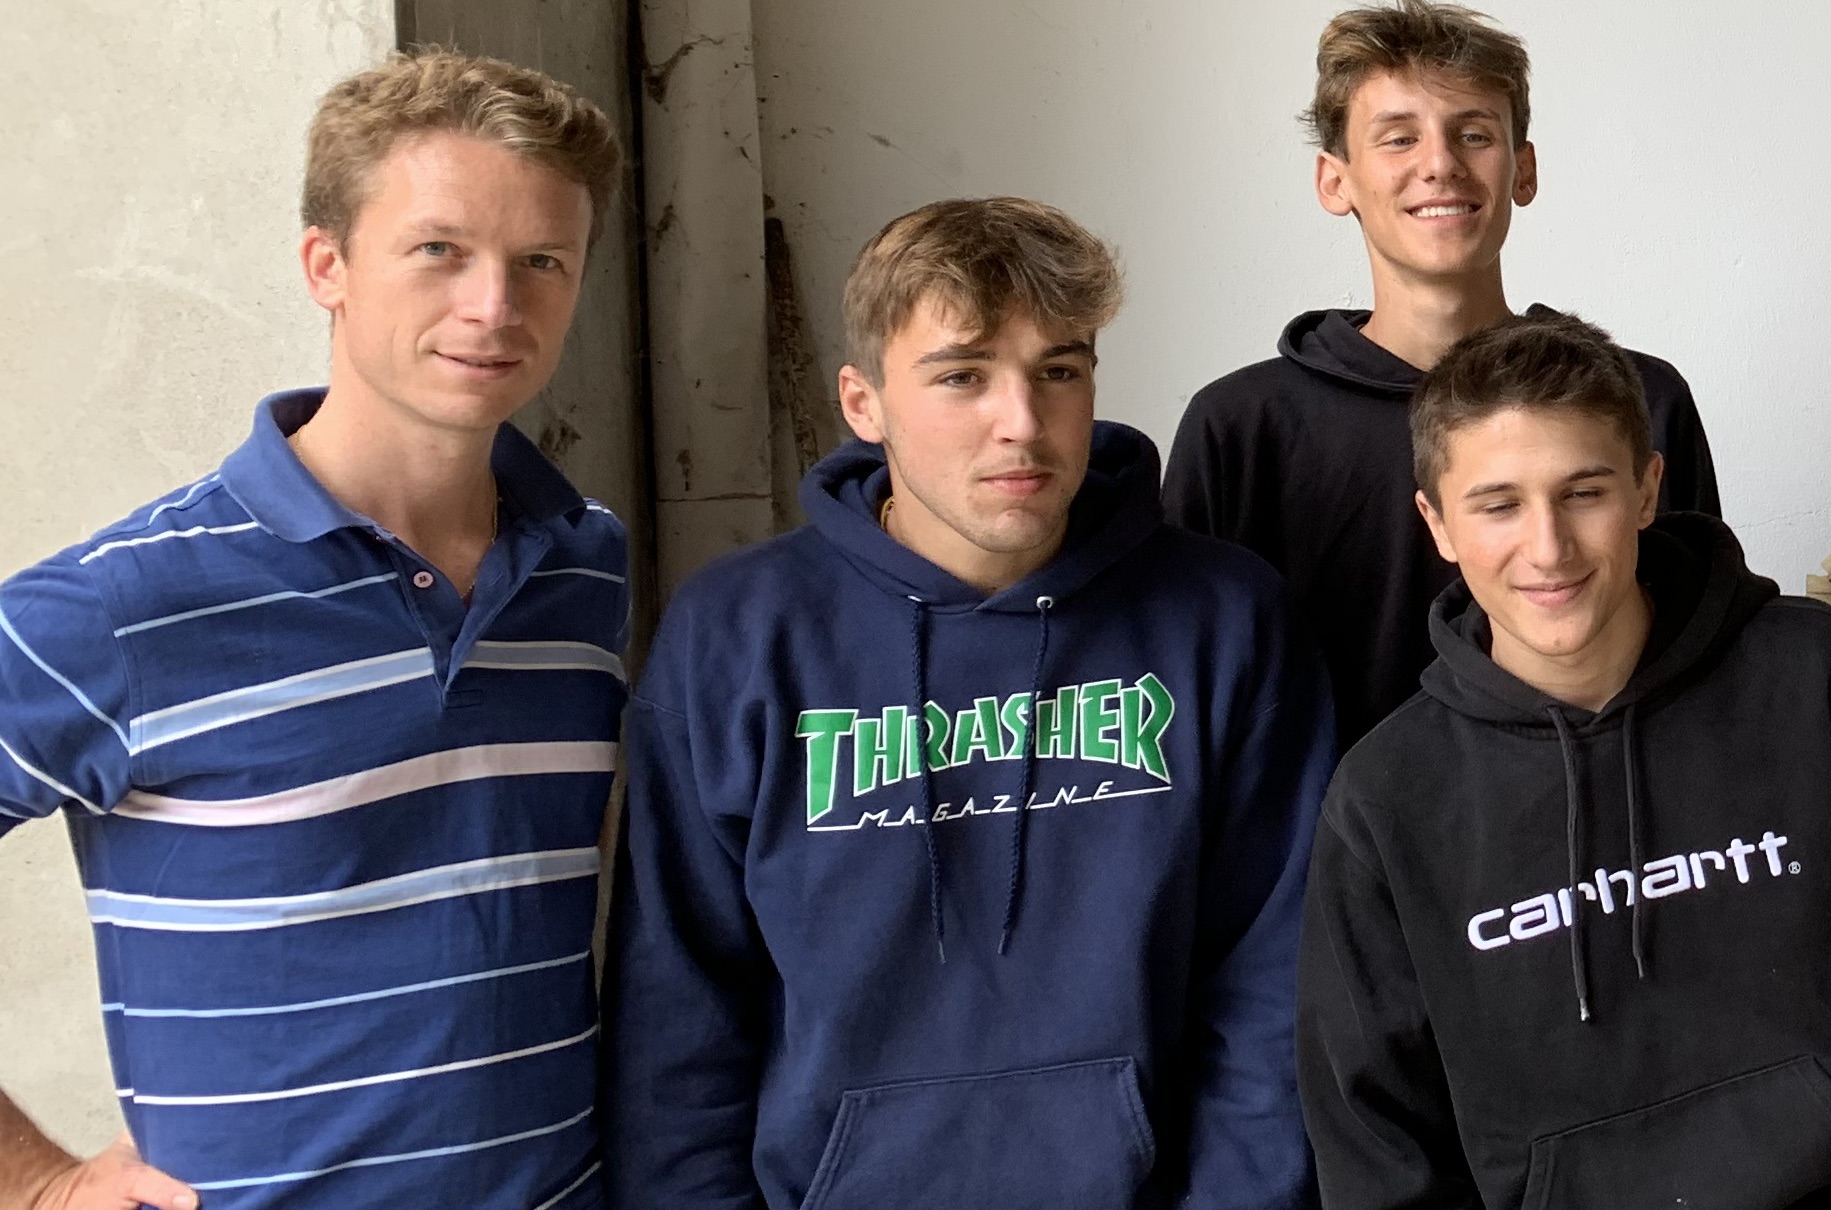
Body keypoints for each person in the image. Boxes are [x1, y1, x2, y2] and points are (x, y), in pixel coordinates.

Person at [604, 198, 1332, 1209]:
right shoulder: (737, 636)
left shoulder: (1224, 619)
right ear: (863, 402)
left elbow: (1272, 989)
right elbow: (677, 1018)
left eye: (1059, 372)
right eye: (962, 376)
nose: (1022, 423)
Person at [0, 51, 628, 1209]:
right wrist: (34, 1182)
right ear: (325, 265)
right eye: (438, 250)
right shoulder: (122, 607)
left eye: (542, 260)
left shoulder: (586, 569)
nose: (494, 306)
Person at [1295, 315, 1831, 1208]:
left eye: (1584, 492)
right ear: (1438, 524)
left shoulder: (1828, 683)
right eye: (1499, 506)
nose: (1548, 548)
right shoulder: (1385, 798)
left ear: (1648, 489)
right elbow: (1376, 1145)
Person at [1168, 0, 1722, 745]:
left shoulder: (1640, 398)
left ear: (1524, 169)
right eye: (1399, 137)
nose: (1440, 164)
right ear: (1335, 181)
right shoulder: (1240, 429)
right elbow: (1189, 689)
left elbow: (1700, 659)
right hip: (1333, 820)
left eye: (1475, 134)